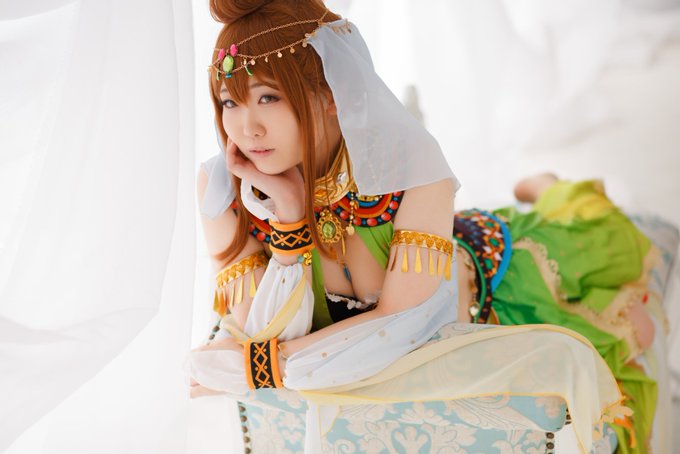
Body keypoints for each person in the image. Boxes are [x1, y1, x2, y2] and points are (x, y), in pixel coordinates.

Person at [187, 1, 631, 451]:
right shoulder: (223, 188)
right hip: (399, 296)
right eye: (229, 102)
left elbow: (400, 326)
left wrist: (256, 368)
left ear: (332, 93)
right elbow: (260, 332)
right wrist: (288, 220)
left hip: (486, 284)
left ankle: (549, 189)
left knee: (603, 240)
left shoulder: (413, 167)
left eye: (268, 98)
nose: (246, 128)